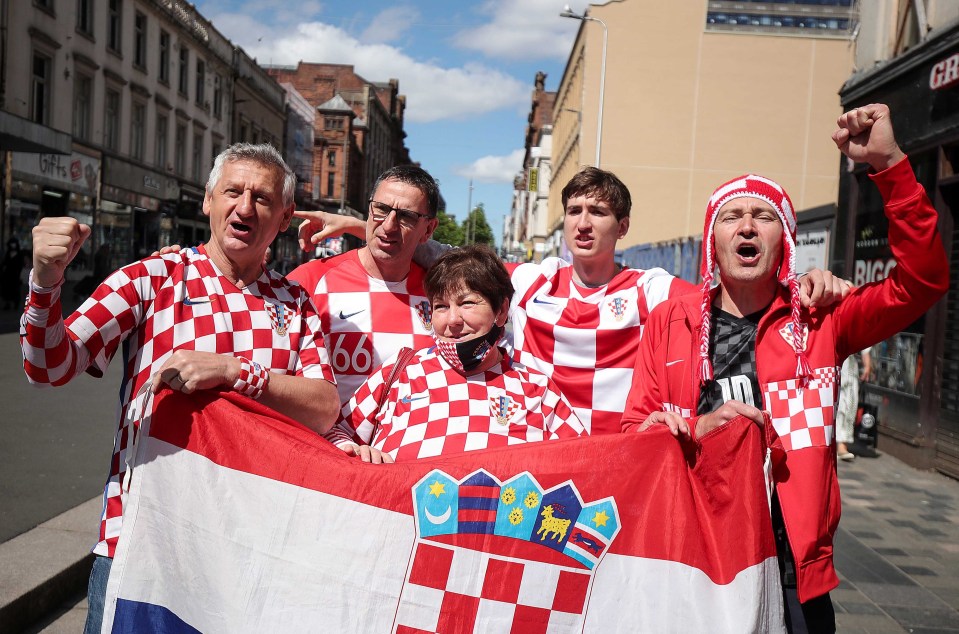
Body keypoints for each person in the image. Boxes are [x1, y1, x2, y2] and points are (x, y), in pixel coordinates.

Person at [620, 104, 948, 632]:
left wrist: (888, 164)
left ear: (784, 241)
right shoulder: (669, 321)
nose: (747, 226)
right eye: (731, 216)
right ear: (713, 239)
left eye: (764, 216)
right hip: (689, 556)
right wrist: (696, 430)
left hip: (791, 568)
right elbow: (634, 432)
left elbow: (923, 281)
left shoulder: (822, 319)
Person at [20, 143, 340, 633]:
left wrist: (236, 372)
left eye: (263, 198)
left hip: (247, 549)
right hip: (141, 542)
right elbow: (49, 365)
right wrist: (45, 283)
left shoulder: (294, 302)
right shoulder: (153, 277)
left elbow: (323, 408)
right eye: (233, 191)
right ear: (208, 200)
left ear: (285, 215)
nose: (245, 207)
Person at [299, 169, 848, 436]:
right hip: (545, 452)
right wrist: (360, 226)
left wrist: (801, 283)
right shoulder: (533, 280)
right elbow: (456, 260)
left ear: (623, 225)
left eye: (599, 212)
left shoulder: (651, 289)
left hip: (615, 459)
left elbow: (737, 291)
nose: (584, 223)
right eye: (575, 210)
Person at [327, 244, 585, 463]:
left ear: (502, 311)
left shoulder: (537, 390)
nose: (452, 320)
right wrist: (358, 452)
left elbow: (584, 464)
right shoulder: (400, 372)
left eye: (467, 303)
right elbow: (335, 433)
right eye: (440, 306)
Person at [288, 164, 440, 405]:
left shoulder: (443, 296)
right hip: (325, 441)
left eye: (406, 216)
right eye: (380, 209)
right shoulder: (310, 280)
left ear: (429, 229)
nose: (389, 225)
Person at [2, 237, 24, 309]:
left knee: (15, 289)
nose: (13, 245)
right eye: (11, 243)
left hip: (16, 275)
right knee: (7, 289)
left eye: (14, 243)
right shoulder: (8, 253)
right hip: (7, 275)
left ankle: (16, 303)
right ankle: (7, 303)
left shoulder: (19, 253)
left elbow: (21, 264)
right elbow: (5, 262)